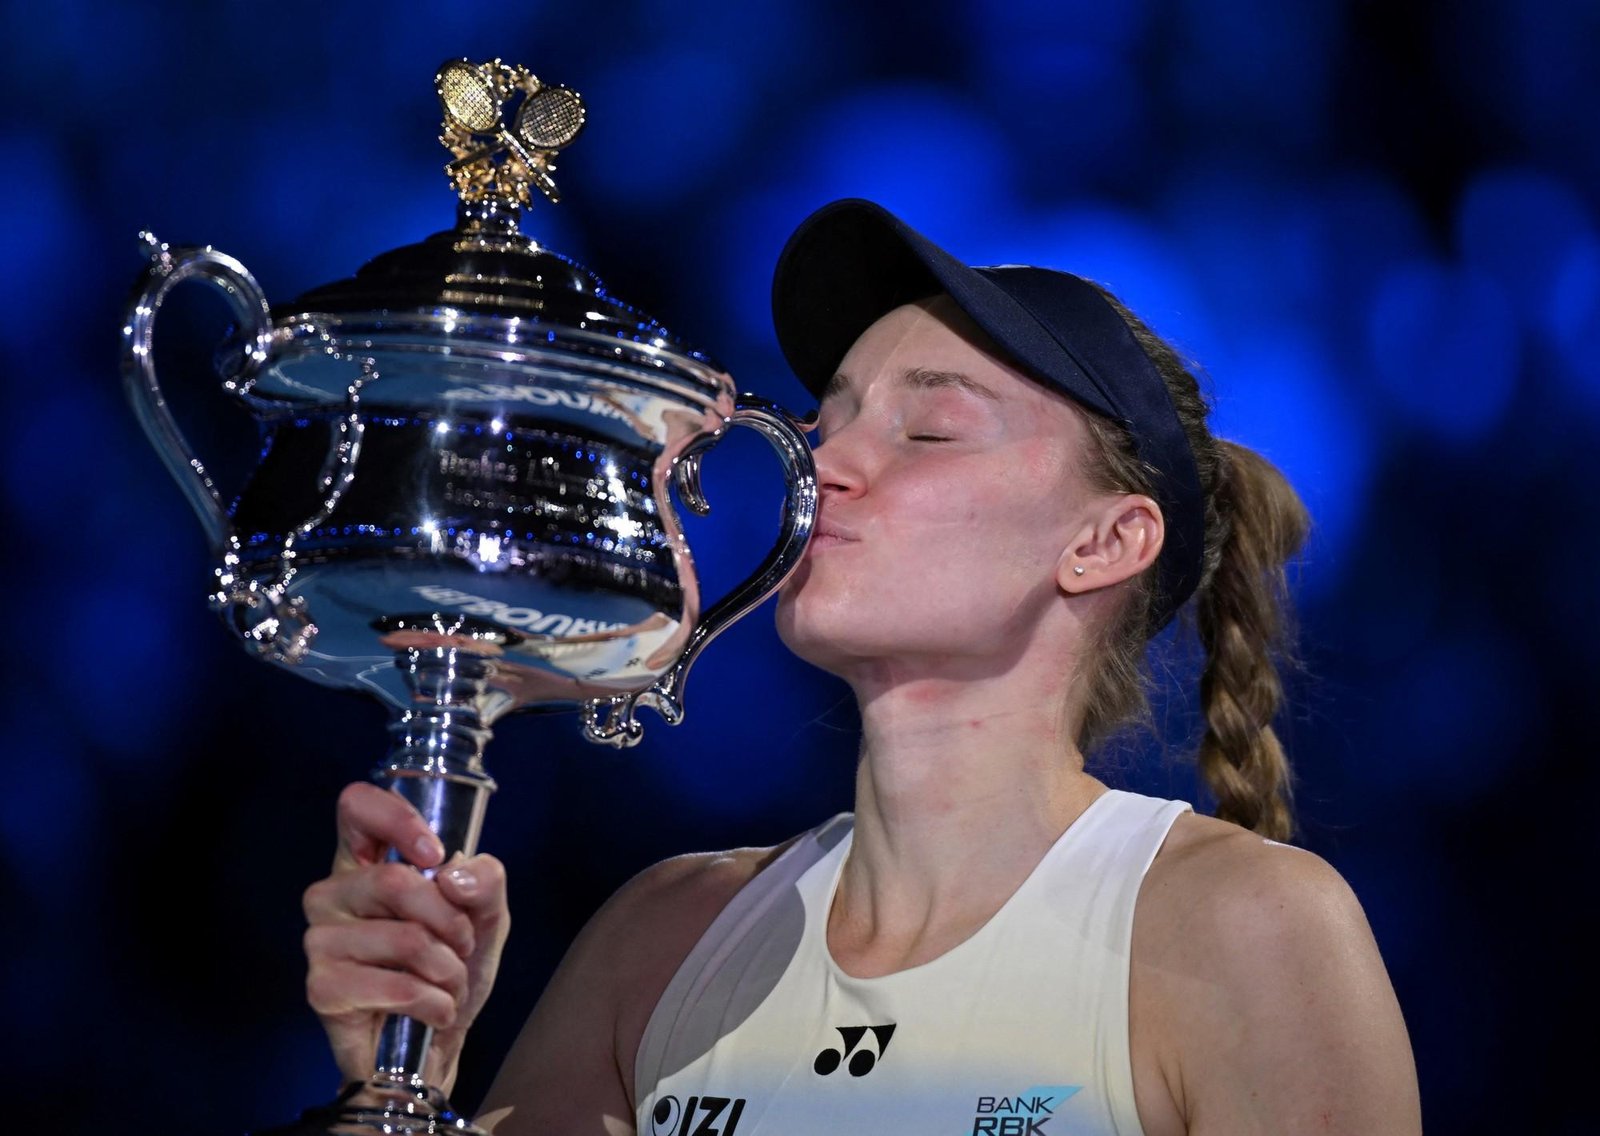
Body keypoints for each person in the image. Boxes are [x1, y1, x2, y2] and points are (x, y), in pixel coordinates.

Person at [302, 199, 1423, 1135]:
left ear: (1103, 542)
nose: (821, 464)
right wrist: (406, 1073)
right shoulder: (660, 936)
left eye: (928, 431)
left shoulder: (1246, 927)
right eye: (818, 421)